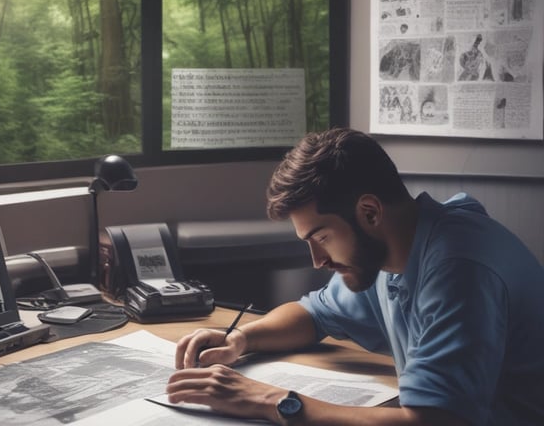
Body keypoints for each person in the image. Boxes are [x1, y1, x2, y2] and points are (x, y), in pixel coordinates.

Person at [167, 128, 544, 425]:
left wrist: (268, 400)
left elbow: (436, 422)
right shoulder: (391, 251)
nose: (317, 260)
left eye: (322, 237)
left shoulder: (460, 270)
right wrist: (240, 339)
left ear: (369, 212)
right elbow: (313, 314)